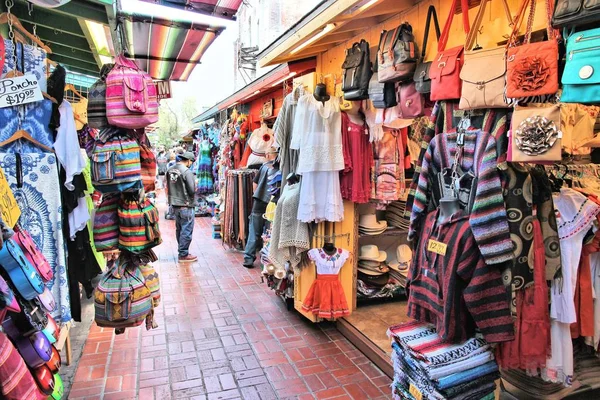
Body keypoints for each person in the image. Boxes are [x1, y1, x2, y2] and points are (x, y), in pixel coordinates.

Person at [243, 147, 278, 268]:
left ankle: (248, 258)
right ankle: (268, 259)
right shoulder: (280, 166)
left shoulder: (263, 167)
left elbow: (255, 183)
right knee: (270, 232)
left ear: (268, 155)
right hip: (273, 203)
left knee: (254, 230)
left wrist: (257, 194)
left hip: (259, 201)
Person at [167, 151, 198, 262]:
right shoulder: (186, 171)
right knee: (186, 229)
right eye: (191, 162)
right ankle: (183, 254)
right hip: (186, 204)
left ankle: (182, 251)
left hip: (175, 204)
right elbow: (191, 190)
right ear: (188, 161)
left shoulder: (170, 169)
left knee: (179, 228)